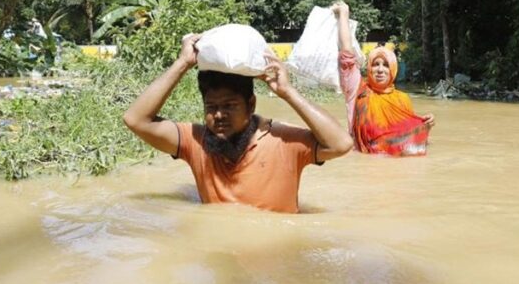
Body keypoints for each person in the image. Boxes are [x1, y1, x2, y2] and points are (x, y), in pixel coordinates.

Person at [123, 33, 354, 213]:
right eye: (211, 107)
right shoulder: (196, 142)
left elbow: (341, 144)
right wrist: (183, 63)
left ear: (251, 105)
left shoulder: (283, 141)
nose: (219, 115)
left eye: (230, 106)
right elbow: (135, 119)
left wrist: (288, 92)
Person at [333, 1, 435, 156]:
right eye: (375, 64)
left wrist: (427, 125)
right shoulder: (357, 91)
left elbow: (407, 140)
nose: (380, 69)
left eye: (386, 65)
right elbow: (346, 56)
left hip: (396, 170)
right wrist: (343, 15)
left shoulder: (402, 100)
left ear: (393, 70)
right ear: (369, 68)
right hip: (365, 166)